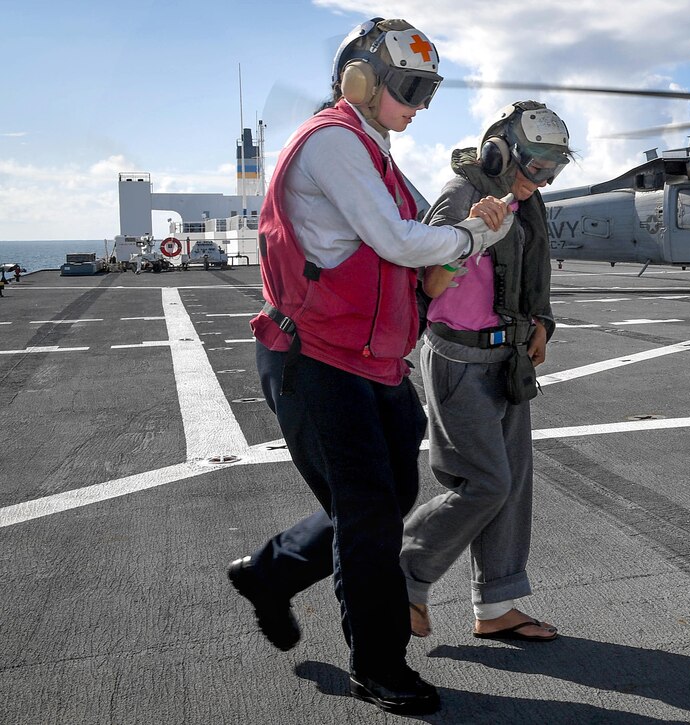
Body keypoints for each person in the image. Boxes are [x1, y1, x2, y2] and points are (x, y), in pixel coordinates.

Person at [226, 18, 514, 716]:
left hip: (370, 362)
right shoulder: (333, 143)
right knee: (370, 518)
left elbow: (420, 249)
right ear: (360, 80)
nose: (419, 103)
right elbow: (397, 237)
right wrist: (475, 231)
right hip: (316, 360)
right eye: (410, 87)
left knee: (384, 501)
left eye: (427, 90)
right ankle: (378, 665)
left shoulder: (375, 153)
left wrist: (464, 237)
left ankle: (271, 573)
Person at [399, 101, 570, 645]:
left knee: (512, 485)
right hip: (458, 360)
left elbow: (532, 271)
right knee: (483, 484)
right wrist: (471, 235)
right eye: (533, 167)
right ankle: (401, 574)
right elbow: (424, 283)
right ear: (498, 153)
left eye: (552, 170)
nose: (539, 180)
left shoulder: (529, 202)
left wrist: (541, 321)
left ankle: (496, 605)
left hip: (508, 358)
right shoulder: (461, 195)